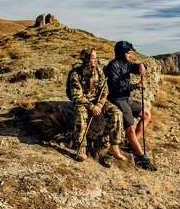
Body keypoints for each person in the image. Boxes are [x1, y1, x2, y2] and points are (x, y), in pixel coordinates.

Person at [103, 40, 157, 171]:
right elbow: (116, 86)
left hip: (126, 98)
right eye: (128, 53)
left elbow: (135, 67)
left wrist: (141, 66)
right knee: (131, 128)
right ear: (122, 53)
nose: (130, 55)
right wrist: (136, 86)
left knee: (146, 115)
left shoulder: (126, 63)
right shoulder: (113, 66)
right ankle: (141, 156)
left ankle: (131, 145)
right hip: (117, 99)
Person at [66, 48, 111, 162]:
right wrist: (91, 107)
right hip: (83, 103)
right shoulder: (75, 74)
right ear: (86, 60)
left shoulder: (99, 71)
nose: (96, 60)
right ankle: (81, 147)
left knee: (116, 112)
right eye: (93, 58)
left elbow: (105, 90)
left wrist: (100, 104)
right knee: (81, 115)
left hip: (97, 102)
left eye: (96, 57)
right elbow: (77, 96)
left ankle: (114, 145)